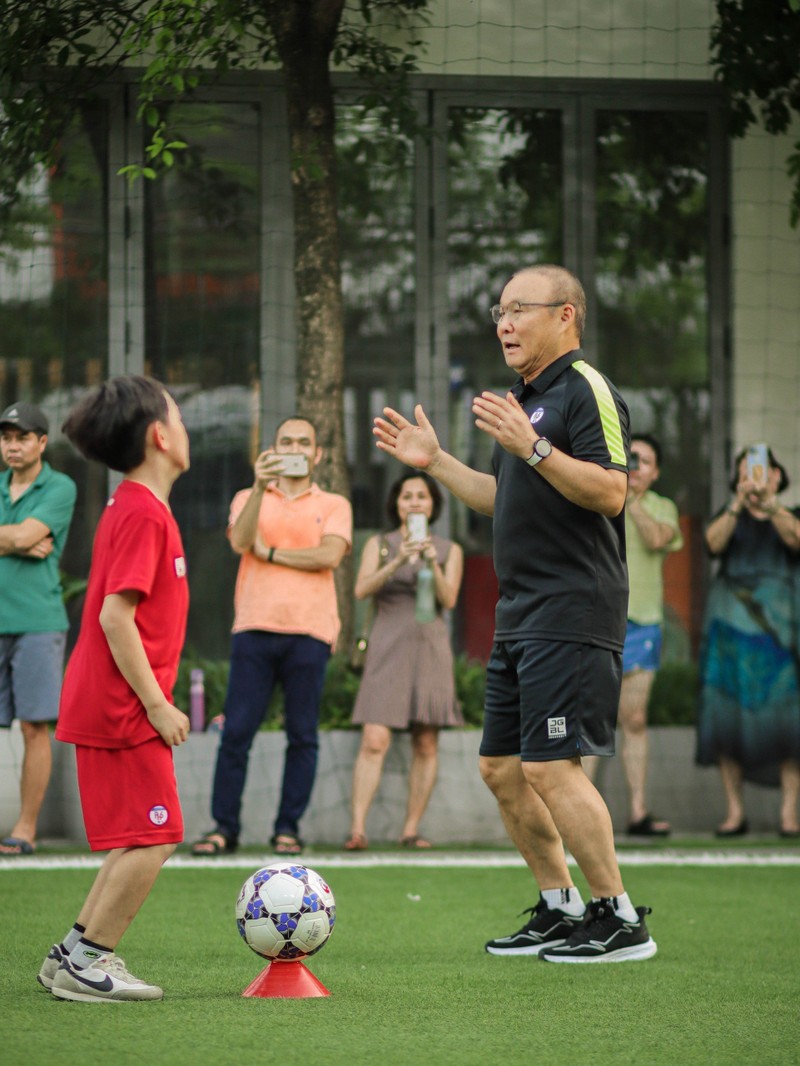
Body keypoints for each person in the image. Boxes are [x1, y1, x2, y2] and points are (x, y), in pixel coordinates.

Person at [374, 264, 657, 963]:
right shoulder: (524, 400)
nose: (503, 322)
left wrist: (532, 448)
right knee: (503, 768)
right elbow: (504, 498)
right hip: (520, 611)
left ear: (565, 315)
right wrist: (436, 461)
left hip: (572, 605)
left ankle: (619, 919)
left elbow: (612, 492)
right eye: (498, 310)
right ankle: (561, 907)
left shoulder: (584, 390)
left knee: (554, 766)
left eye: (518, 309)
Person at [37, 375, 191, 1002]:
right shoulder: (139, 511)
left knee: (139, 834)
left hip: (113, 700)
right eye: (178, 416)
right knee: (157, 835)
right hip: (123, 705)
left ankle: (71, 955)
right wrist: (157, 704)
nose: (185, 427)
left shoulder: (138, 506)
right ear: (160, 435)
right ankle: (89, 964)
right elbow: (113, 616)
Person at [192, 416, 352, 857]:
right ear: (274, 449)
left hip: (311, 630)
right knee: (237, 732)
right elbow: (241, 543)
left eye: (304, 442)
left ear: (317, 454)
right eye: (287, 441)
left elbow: (331, 555)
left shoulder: (335, 502)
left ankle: (288, 828)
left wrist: (274, 553)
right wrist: (260, 488)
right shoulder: (248, 496)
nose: (296, 448)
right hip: (254, 627)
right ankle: (224, 828)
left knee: (302, 734)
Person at [344, 470, 464, 851]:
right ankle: (358, 829)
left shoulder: (449, 549)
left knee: (426, 742)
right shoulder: (379, 544)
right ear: (396, 504)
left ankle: (410, 829)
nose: (413, 502)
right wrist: (398, 561)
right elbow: (361, 589)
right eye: (406, 496)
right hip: (387, 647)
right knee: (374, 738)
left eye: (422, 496)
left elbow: (449, 601)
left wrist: (430, 559)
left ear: (433, 506)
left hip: (430, 648)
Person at [697, 445, 800, 837]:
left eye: (760, 470)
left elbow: (796, 539)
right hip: (730, 633)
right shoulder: (730, 515)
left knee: (789, 721)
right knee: (725, 717)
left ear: (776, 475)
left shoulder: (790, 514)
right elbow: (712, 544)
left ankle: (790, 814)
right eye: (746, 472)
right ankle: (734, 812)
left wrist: (771, 506)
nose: (754, 478)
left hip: (781, 635)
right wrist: (738, 503)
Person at [583, 434, 683, 835]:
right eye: (631, 457)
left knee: (635, 718)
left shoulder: (662, 507)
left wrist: (632, 497)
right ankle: (582, 814)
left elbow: (658, 539)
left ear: (656, 471)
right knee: (589, 717)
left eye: (644, 461)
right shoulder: (598, 494)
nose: (637, 465)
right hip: (597, 618)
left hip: (642, 622)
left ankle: (638, 811)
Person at [0, 401, 76, 857]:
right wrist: (17, 539)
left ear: (42, 443)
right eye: (6, 437)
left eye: (22, 437)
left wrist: (22, 539)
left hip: (37, 623)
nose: (12, 445)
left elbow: (31, 537)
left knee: (33, 728)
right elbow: (23, 537)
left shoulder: (60, 486)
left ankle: (25, 829)